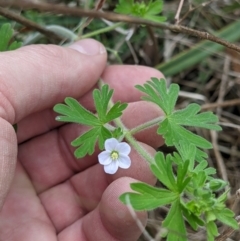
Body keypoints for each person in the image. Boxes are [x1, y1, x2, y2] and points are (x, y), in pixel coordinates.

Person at [0, 39, 164, 241]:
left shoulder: (116, 149)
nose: (113, 154)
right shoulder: (112, 147)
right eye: (113, 154)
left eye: (114, 154)